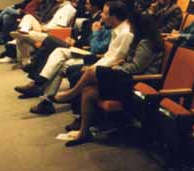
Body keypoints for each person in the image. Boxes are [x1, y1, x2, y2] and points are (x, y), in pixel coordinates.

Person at [51, 13, 164, 146]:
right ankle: (83, 132)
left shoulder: (147, 43)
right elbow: (131, 61)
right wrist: (121, 63)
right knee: (88, 90)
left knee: (92, 71)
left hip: (137, 83)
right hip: (128, 79)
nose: (130, 28)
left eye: (132, 25)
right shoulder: (141, 40)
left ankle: (71, 94)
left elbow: (136, 67)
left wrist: (118, 67)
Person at [11, 0, 77, 68]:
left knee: (21, 36)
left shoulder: (68, 9)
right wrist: (44, 26)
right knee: (28, 17)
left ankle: (22, 36)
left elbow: (62, 28)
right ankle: (23, 31)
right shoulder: (60, 6)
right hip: (46, 29)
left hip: (52, 35)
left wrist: (47, 28)